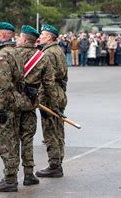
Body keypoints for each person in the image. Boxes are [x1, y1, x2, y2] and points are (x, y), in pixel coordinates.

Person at [16, 25, 56, 186]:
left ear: (24, 39)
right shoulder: (42, 57)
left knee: (11, 140)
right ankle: (28, 174)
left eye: (20, 37)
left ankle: (10, 176)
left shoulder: (11, 54)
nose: (18, 39)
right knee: (27, 140)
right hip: (30, 104)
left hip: (12, 103)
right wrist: (54, 107)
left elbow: (1, 81)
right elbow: (49, 84)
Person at [0, 22, 24, 193]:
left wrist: (1, 108)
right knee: (13, 140)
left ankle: (10, 179)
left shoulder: (2, 55)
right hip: (15, 101)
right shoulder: (15, 52)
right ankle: (11, 175)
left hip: (6, 104)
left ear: (3, 35)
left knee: (6, 142)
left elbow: (3, 84)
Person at [36, 24, 68, 178]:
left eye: (42, 34)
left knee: (50, 131)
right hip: (59, 93)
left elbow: (48, 78)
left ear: (49, 37)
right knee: (58, 130)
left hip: (50, 95)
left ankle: (54, 165)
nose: (40, 36)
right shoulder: (58, 50)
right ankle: (58, 160)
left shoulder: (48, 53)